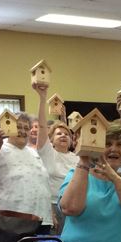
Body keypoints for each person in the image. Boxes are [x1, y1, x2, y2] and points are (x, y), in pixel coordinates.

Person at [0, 111, 51, 242]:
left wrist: (50, 213)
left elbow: (42, 183)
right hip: (12, 221)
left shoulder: (33, 152)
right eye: (19, 127)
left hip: (40, 217)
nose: (23, 131)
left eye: (26, 128)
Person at [33, 82, 78, 232]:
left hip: (73, 208)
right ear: (51, 139)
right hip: (51, 207)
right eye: (59, 134)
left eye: (66, 134)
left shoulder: (77, 158)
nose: (63, 136)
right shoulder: (48, 153)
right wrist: (42, 98)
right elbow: (41, 126)